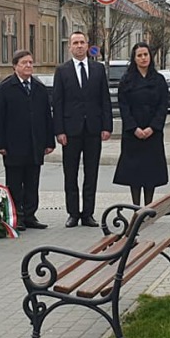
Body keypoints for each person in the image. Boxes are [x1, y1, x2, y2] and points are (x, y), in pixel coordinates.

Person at [52, 31, 113, 228]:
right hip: (70, 130)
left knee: (91, 172)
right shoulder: (62, 71)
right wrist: (59, 130)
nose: (79, 46)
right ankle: (73, 213)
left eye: (82, 43)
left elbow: (105, 99)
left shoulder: (97, 69)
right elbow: (58, 102)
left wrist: (107, 126)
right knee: (70, 173)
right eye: (75, 43)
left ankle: (88, 213)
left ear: (87, 46)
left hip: (93, 129)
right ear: (70, 47)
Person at [0, 49, 55, 231]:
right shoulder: (5, 88)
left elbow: (46, 116)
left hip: (35, 144)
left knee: (32, 181)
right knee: (15, 182)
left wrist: (49, 141)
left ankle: (30, 215)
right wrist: (0, 144)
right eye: (24, 63)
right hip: (13, 144)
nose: (28, 66)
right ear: (15, 66)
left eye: (30, 63)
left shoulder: (39, 88)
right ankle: (16, 215)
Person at [113, 42, 169, 206]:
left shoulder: (158, 80)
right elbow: (123, 106)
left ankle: (149, 206)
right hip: (133, 133)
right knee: (134, 173)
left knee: (150, 172)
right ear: (134, 58)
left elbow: (163, 106)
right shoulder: (126, 80)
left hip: (153, 132)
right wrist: (134, 128)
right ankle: (136, 206)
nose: (143, 58)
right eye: (139, 55)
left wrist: (153, 127)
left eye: (146, 55)